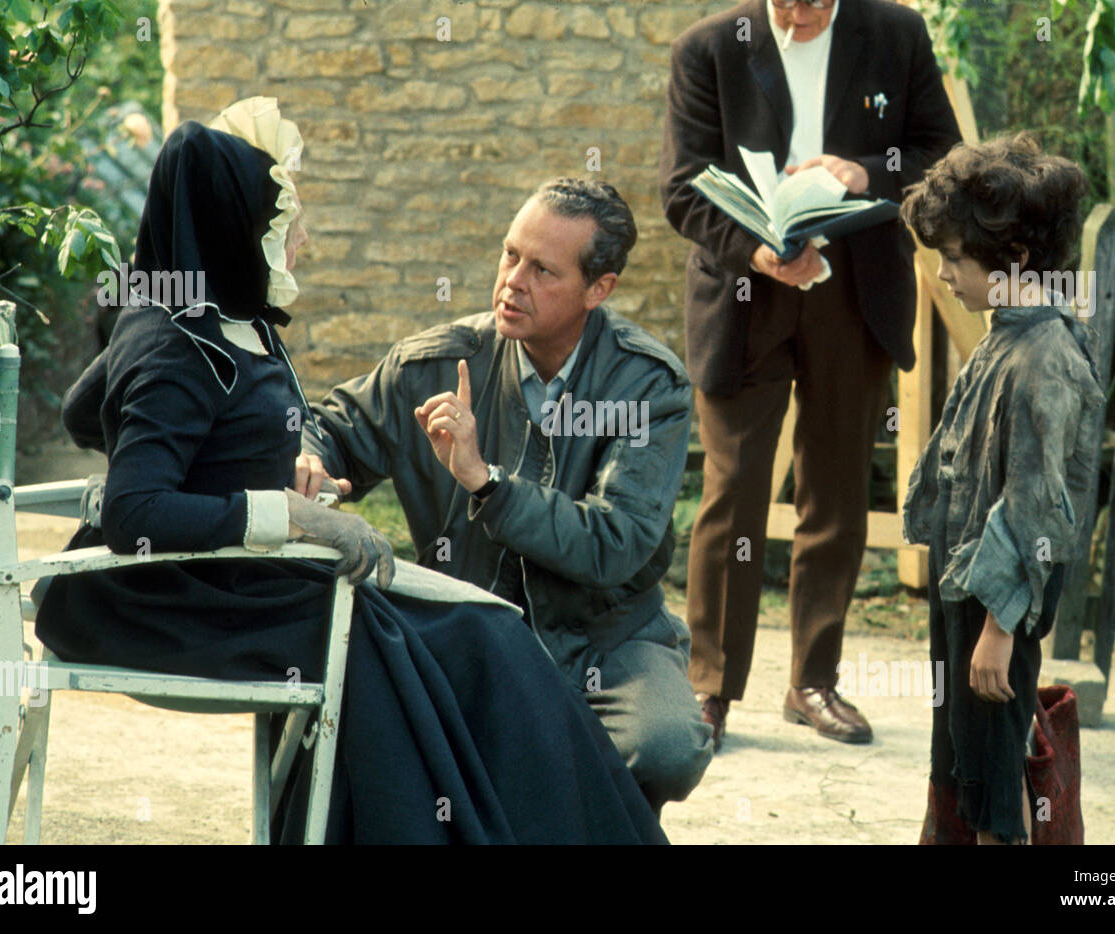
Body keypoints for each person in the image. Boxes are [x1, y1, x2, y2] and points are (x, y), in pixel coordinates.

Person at [34, 98, 668, 844]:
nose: (302, 235)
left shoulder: (211, 321)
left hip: (234, 579)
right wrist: (289, 511)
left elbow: (87, 410)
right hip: (178, 599)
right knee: (443, 645)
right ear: (240, 229)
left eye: (543, 268)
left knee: (483, 637)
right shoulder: (183, 346)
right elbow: (137, 511)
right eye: (284, 219)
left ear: (601, 289)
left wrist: (234, 458)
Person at [296, 178, 714, 813]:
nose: (513, 282)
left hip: (607, 637)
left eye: (543, 269)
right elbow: (329, 424)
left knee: (665, 746)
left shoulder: (646, 386)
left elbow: (616, 542)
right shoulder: (436, 363)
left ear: (598, 290)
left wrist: (486, 483)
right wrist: (307, 454)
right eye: (509, 255)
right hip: (468, 629)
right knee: (360, 722)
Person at [659, 0, 963, 748]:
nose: (801, 15)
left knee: (837, 490)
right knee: (732, 494)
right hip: (745, 293)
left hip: (855, 292)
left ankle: (812, 683)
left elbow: (943, 156)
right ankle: (711, 687)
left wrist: (868, 168)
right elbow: (683, 187)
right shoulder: (707, 48)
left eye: (817, 1)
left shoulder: (896, 33)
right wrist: (759, 252)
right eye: (786, 0)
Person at [899, 132, 1104, 844]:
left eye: (954, 259)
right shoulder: (1002, 334)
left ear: (1014, 259)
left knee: (997, 784)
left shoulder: (1045, 355)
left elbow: (1037, 507)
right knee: (961, 763)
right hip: (965, 593)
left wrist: (996, 631)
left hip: (998, 611)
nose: (945, 274)